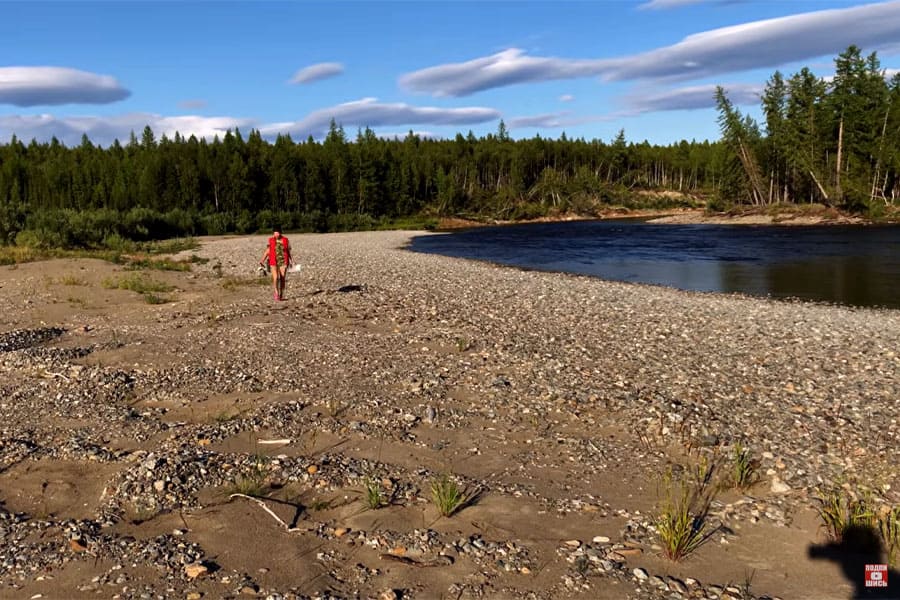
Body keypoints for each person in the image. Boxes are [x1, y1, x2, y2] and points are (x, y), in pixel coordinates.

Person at [259, 227, 293, 301]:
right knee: (276, 278)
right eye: (274, 232)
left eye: (277, 232)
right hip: (273, 261)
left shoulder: (286, 240)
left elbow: (288, 251)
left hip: (283, 261)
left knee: (282, 278)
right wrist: (262, 260)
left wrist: (291, 261)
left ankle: (281, 293)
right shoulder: (271, 240)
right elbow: (268, 250)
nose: (276, 234)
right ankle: (276, 292)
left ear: (280, 233)